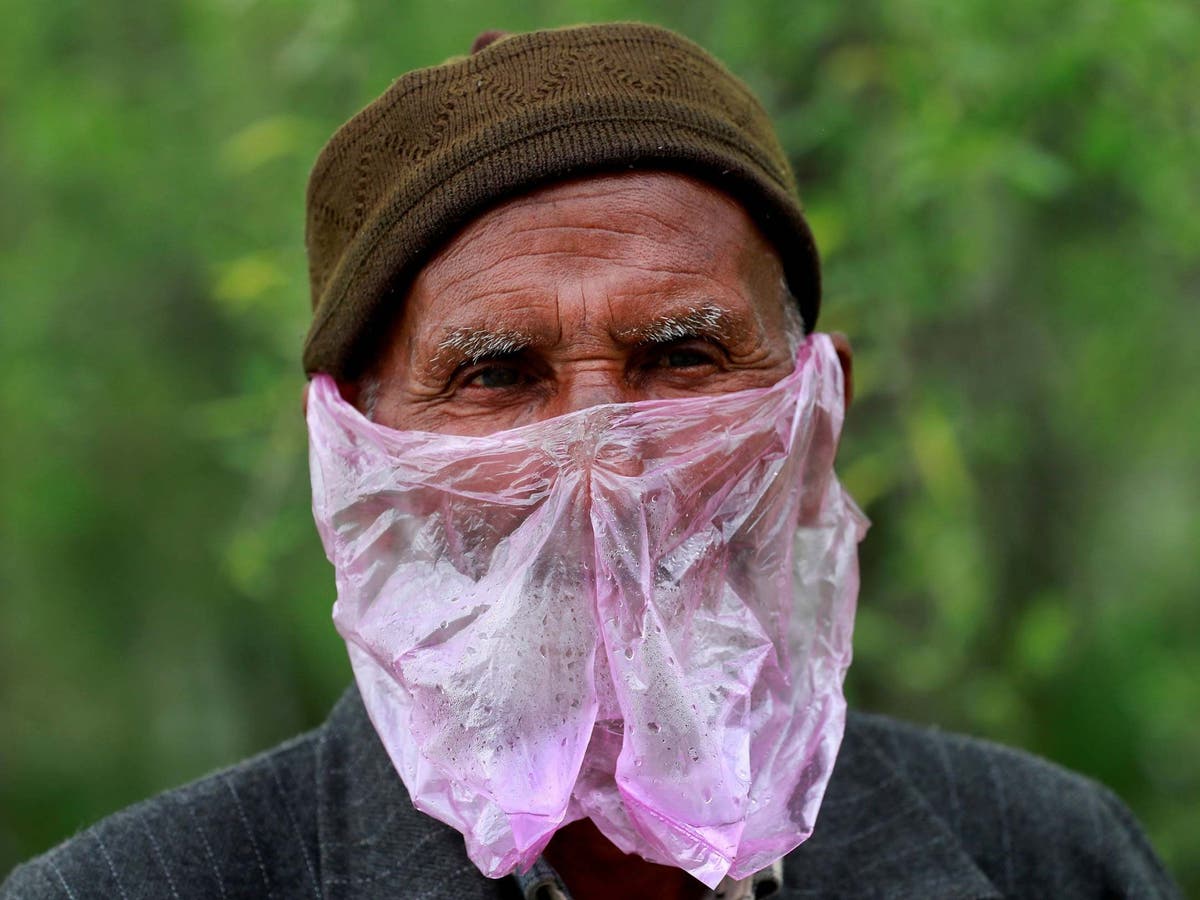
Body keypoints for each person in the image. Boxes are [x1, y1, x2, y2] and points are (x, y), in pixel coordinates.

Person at [2, 22, 1181, 900]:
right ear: (362, 458)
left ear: (813, 422)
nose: (601, 461)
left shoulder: (1049, 857)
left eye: (682, 358)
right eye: (499, 375)